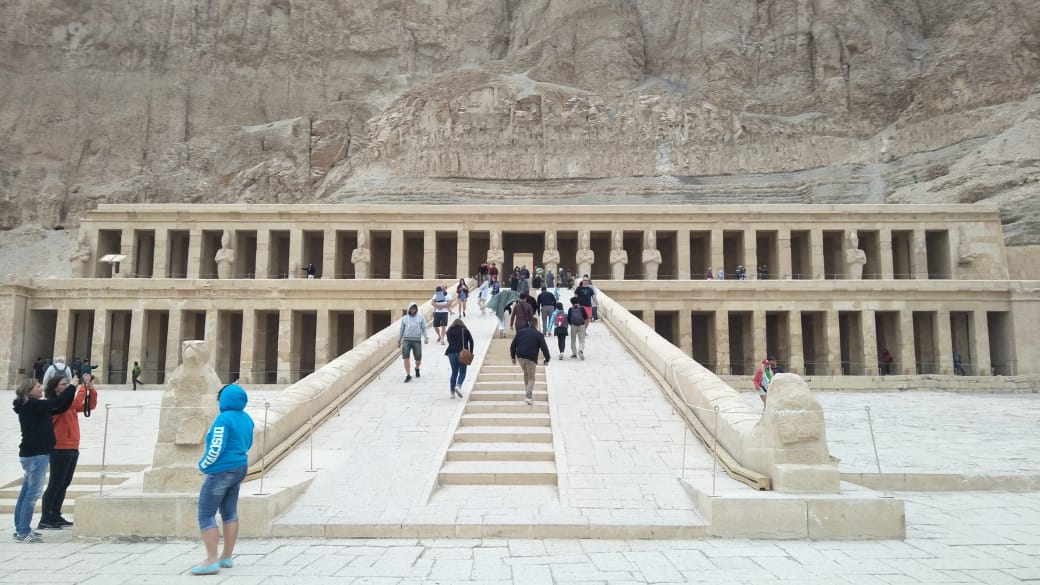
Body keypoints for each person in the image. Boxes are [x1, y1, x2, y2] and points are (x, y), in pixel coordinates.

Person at [190, 384, 254, 576]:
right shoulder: (246, 418)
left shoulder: (223, 419)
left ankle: (211, 560)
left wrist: (204, 465)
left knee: (206, 513)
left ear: (224, 400)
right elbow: (248, 443)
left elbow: (216, 447)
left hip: (221, 470)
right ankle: (226, 556)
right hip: (240, 466)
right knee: (229, 512)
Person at [12, 375, 77, 543]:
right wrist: (72, 386)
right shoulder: (33, 405)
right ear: (29, 391)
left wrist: (73, 391)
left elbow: (60, 407)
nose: (42, 388)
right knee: (32, 495)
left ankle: (20, 528)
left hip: (31, 455)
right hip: (36, 455)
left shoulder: (33, 406)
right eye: (38, 386)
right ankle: (24, 531)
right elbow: (57, 402)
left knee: (25, 494)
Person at [38, 373, 97, 529]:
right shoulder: (54, 404)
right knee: (55, 483)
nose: (66, 386)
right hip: (59, 448)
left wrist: (90, 388)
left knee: (64, 483)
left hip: (72, 446)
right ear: (55, 388)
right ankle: (45, 517)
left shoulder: (68, 402)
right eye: (63, 384)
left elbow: (89, 406)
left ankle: (55, 514)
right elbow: (74, 402)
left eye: (67, 384)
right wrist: (81, 387)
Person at [510, 325, 551, 405]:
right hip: (531, 358)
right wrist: (547, 359)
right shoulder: (538, 334)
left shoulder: (521, 332)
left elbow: (513, 345)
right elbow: (544, 347)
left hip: (520, 357)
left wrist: (513, 357)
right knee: (531, 377)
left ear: (529, 324)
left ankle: (527, 391)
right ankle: (528, 397)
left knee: (526, 374)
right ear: (536, 325)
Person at [397, 302, 430, 382]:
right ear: (409, 309)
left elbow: (424, 328)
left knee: (418, 358)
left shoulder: (420, 318)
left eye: (414, 308)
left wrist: (426, 337)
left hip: (416, 340)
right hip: (406, 340)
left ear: (416, 309)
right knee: (406, 357)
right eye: (411, 308)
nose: (413, 310)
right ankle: (408, 375)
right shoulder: (405, 318)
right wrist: (399, 340)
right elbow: (401, 329)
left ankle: (417, 368)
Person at [444, 319, 474, 399]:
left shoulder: (449, 331)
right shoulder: (465, 330)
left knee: (454, 372)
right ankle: (458, 385)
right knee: (462, 372)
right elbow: (471, 341)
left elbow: (450, 342)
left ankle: (452, 393)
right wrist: (470, 352)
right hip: (462, 353)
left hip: (451, 353)